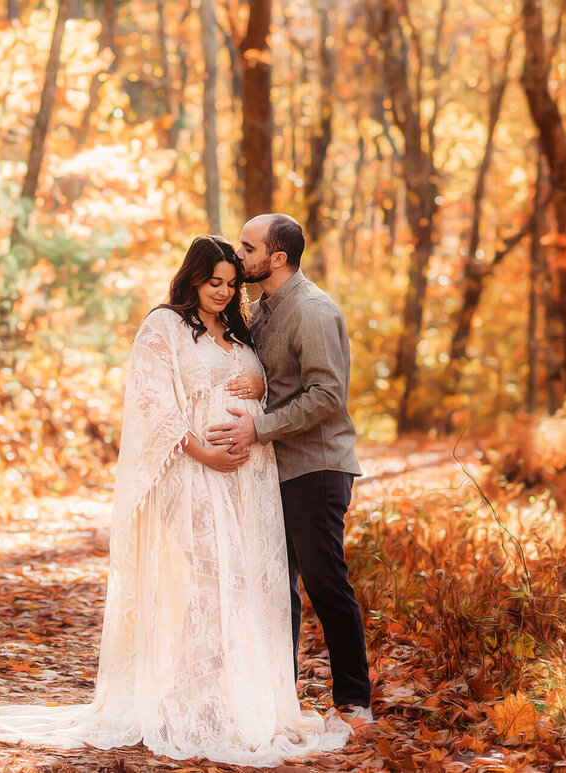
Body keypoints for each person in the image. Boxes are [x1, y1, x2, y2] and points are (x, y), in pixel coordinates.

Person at [0, 236, 351, 765]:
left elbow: (271, 390)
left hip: (247, 484)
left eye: (230, 283)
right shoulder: (164, 326)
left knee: (242, 586)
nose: (223, 292)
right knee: (206, 578)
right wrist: (205, 452)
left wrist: (255, 381)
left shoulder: (240, 332)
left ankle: (230, 700)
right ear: (193, 278)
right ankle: (187, 700)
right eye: (213, 282)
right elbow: (153, 405)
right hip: (191, 475)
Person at [205, 214, 373, 722]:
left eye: (247, 247)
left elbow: (326, 396)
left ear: (276, 259)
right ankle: (279, 695)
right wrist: (260, 388)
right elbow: (276, 377)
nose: (239, 255)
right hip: (277, 467)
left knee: (325, 582)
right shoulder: (263, 308)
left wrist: (258, 426)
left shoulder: (313, 310)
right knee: (278, 583)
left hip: (317, 465)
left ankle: (354, 700)